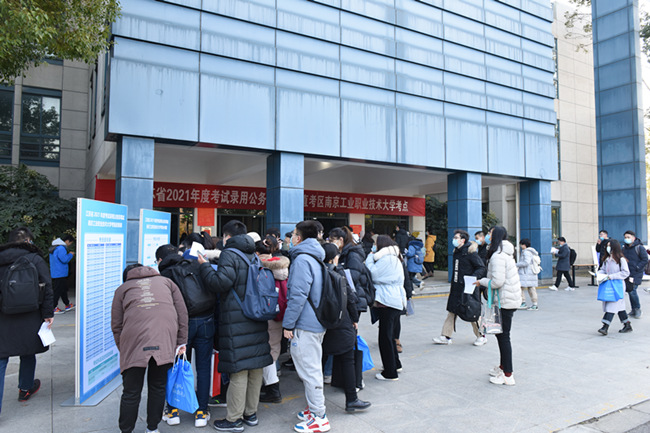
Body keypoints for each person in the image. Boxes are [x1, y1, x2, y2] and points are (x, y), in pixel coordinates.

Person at [197, 220, 272, 433]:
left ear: (227, 236)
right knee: (255, 367)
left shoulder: (229, 254)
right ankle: (250, 414)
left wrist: (204, 267)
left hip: (237, 318)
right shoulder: (253, 254)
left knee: (239, 369)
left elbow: (220, 283)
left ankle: (234, 419)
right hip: (256, 315)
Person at [111, 264, 188, 433]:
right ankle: (152, 429)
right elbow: (182, 314)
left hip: (133, 341)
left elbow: (116, 325)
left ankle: (126, 430)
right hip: (164, 337)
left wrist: (124, 348)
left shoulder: (122, 289)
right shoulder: (168, 283)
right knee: (158, 386)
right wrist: (181, 342)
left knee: (131, 391)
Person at [157, 242, 217, 428]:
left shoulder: (165, 274)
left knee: (177, 366)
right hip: (206, 320)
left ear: (160, 260)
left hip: (182, 326)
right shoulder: (195, 265)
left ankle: (173, 411)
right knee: (204, 367)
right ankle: (201, 412)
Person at [282, 220, 330, 433]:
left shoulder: (302, 259)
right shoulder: (315, 256)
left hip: (306, 324)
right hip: (316, 321)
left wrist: (288, 324)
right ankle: (314, 409)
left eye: (293, 234)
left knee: (310, 371)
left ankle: (319, 417)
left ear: (299, 238)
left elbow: (297, 295)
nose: (291, 238)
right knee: (312, 367)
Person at [0, 227, 53, 416]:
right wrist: (48, 313)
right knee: (28, 352)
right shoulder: (35, 259)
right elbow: (47, 287)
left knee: (1, 359)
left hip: (3, 316)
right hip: (31, 314)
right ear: (28, 241)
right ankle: (25, 388)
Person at [321, 243, 371, 412]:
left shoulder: (316, 272)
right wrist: (354, 319)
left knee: (318, 363)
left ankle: (315, 403)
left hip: (321, 323)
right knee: (348, 360)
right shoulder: (339, 273)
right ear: (333, 258)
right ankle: (351, 399)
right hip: (341, 322)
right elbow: (350, 297)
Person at [477, 226, 521, 386]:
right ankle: (503, 368)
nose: (488, 236)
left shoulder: (498, 256)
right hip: (507, 299)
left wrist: (481, 282)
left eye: (490, 233)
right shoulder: (506, 253)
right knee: (502, 336)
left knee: (503, 337)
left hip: (504, 301)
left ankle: (508, 375)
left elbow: (497, 282)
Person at [433, 230, 487, 346]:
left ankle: (481, 336)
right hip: (456, 288)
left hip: (468, 287)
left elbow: (481, 267)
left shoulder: (470, 253)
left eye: (456, 238)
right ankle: (446, 336)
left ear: (463, 240)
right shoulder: (457, 252)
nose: (454, 239)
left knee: (472, 312)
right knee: (452, 311)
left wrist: (472, 279)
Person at [365, 235, 406, 381]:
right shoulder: (394, 257)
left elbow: (372, 273)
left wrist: (369, 257)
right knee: (389, 336)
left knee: (385, 338)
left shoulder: (386, 259)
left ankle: (390, 372)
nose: (374, 246)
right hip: (394, 299)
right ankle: (395, 364)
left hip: (387, 300)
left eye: (375, 244)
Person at [256, 236, 289, 404]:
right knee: (273, 349)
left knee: (265, 351)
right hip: (278, 314)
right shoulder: (282, 266)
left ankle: (272, 388)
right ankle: (271, 385)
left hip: (264, 314)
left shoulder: (259, 267)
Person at [597, 239, 632, 335]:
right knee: (619, 306)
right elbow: (603, 270)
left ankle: (605, 327)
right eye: (607, 246)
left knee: (612, 305)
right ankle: (627, 325)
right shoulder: (607, 259)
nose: (607, 248)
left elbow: (625, 273)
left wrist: (611, 276)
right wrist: (599, 274)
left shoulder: (621, 260)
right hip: (609, 284)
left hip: (618, 285)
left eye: (609, 246)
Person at [622, 230, 648, 319]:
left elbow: (645, 259)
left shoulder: (639, 247)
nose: (626, 239)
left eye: (628, 237)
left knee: (632, 290)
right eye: (625, 237)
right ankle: (634, 309)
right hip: (627, 273)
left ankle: (637, 309)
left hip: (636, 273)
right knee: (630, 291)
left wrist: (637, 267)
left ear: (633, 238)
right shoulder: (624, 248)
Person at [49, 234, 75, 314]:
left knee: (63, 289)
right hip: (60, 273)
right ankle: (53, 308)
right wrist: (70, 254)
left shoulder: (55, 247)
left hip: (57, 272)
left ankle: (67, 304)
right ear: (67, 241)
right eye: (70, 243)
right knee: (57, 291)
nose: (69, 245)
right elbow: (64, 260)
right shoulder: (61, 248)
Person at [517, 239, 540, 311]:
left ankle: (523, 302)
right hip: (531, 273)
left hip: (525, 273)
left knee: (520, 288)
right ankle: (535, 304)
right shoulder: (531, 252)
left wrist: (517, 264)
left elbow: (526, 262)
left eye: (521, 244)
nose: (520, 246)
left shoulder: (526, 252)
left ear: (524, 245)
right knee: (531, 288)